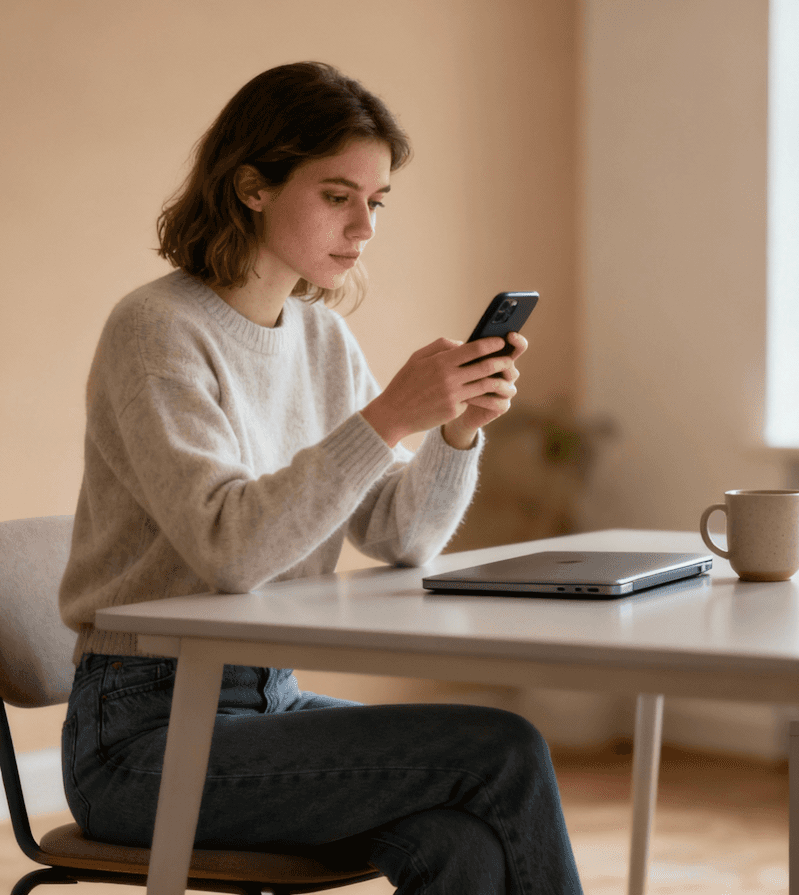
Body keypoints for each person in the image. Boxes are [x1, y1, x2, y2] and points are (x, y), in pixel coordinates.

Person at [58, 61, 583, 894]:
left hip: (269, 700)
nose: (364, 227)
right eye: (338, 196)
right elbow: (230, 551)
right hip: (141, 735)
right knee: (503, 748)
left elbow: (397, 538)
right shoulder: (155, 330)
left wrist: (452, 433)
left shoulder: (320, 339)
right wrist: (389, 419)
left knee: (459, 842)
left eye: (374, 203)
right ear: (251, 187)